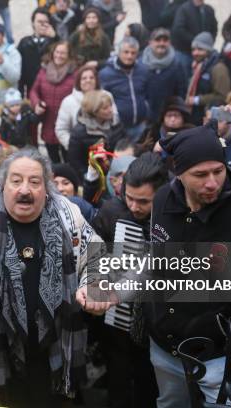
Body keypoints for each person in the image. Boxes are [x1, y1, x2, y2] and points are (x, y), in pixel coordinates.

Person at [0, 148, 110, 407]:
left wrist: (95, 286)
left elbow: (100, 259)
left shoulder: (68, 215)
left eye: (35, 182)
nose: (25, 189)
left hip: (52, 356)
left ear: (46, 188)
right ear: (2, 185)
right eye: (16, 181)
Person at [146, 122, 231, 407]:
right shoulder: (161, 200)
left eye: (218, 171)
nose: (212, 182)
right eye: (200, 174)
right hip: (164, 347)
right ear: (179, 172)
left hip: (222, 357)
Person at [91, 152, 166, 408]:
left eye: (144, 201)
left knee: (151, 385)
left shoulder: (175, 217)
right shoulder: (112, 211)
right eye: (129, 198)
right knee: (119, 381)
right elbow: (94, 255)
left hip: (160, 324)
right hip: (118, 318)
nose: (134, 207)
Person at [30, 41, 77, 163]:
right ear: (53, 53)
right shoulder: (43, 71)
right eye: (57, 52)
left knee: (69, 160)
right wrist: (36, 104)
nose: (59, 55)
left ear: (69, 55)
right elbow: (34, 91)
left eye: (63, 53)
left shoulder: (75, 74)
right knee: (53, 160)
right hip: (48, 123)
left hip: (67, 126)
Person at [99, 37, 150, 141]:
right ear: (119, 52)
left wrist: (148, 114)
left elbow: (149, 94)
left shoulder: (143, 70)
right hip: (117, 128)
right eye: (126, 52)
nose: (129, 56)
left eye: (133, 53)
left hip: (140, 126)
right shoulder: (106, 74)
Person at [56, 66, 117, 150]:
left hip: (107, 148)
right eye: (84, 78)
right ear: (78, 82)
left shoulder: (107, 95)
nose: (88, 80)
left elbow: (115, 118)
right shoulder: (68, 101)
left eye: (91, 77)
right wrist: (73, 147)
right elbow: (61, 129)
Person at [68, 89, 125, 177]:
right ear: (94, 112)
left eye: (110, 106)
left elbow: (123, 145)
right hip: (93, 176)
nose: (111, 110)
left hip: (116, 172)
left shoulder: (116, 123)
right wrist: (88, 176)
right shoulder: (79, 132)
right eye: (105, 108)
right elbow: (75, 161)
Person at [141, 27, 187, 123]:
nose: (161, 43)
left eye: (165, 40)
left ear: (169, 43)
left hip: (168, 117)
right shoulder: (141, 62)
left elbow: (181, 91)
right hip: (145, 117)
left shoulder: (177, 64)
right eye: (157, 40)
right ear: (150, 42)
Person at [186, 31, 231, 125]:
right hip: (195, 115)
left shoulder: (218, 68)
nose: (195, 53)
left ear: (208, 50)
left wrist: (196, 100)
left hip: (209, 118)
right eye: (193, 49)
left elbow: (222, 96)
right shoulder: (199, 65)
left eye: (200, 49)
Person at [17, 8, 58, 96]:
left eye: (46, 22)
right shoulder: (24, 42)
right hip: (30, 87)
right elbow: (19, 67)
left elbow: (65, 53)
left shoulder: (54, 41)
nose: (43, 25)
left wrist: (54, 37)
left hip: (51, 86)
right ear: (33, 23)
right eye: (40, 22)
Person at [171, 0, 218, 74]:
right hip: (185, 52)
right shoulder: (184, 9)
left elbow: (214, 29)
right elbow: (178, 29)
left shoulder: (209, 10)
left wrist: (209, 43)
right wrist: (196, 42)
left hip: (203, 55)